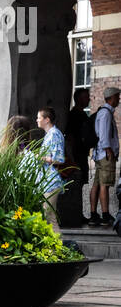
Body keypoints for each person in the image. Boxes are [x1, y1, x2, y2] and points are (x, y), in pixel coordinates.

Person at [87, 86, 120, 226]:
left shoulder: (104, 112)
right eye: (117, 97)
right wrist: (109, 151)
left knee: (97, 184)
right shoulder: (106, 113)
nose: (118, 99)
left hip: (100, 154)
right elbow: (104, 135)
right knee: (104, 185)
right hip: (105, 154)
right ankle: (105, 215)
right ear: (111, 98)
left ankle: (94, 214)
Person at [34, 106, 67, 230]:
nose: (36, 120)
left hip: (51, 182)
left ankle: (56, 248)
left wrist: (39, 157)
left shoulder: (54, 134)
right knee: (48, 217)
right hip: (47, 181)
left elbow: (59, 159)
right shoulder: (50, 134)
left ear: (47, 120)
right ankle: (54, 248)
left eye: (39, 118)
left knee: (50, 218)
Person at [66, 87, 92, 221]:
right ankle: (75, 214)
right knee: (76, 183)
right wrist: (72, 157)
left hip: (81, 154)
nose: (88, 99)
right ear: (79, 99)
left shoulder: (81, 114)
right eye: (86, 97)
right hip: (77, 155)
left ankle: (78, 213)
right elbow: (70, 137)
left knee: (80, 183)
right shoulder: (75, 115)